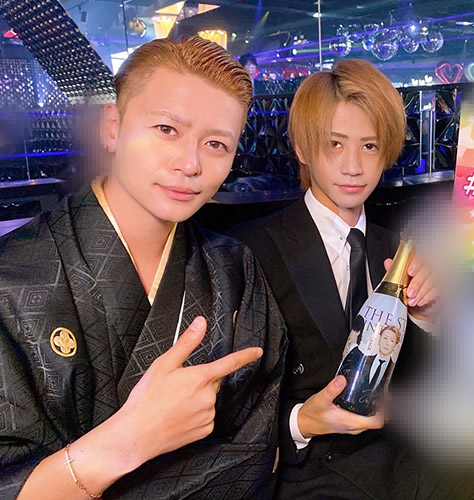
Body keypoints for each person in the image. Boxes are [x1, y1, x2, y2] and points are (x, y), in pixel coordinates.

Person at [0, 36, 286, 500]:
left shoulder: (235, 270)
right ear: (112, 127)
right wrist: (129, 440)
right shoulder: (10, 278)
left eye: (216, 143)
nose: (190, 164)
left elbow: (254, 444)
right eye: (167, 129)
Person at [227, 59, 441, 499]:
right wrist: (302, 421)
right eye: (335, 144)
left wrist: (428, 318)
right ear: (303, 149)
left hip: (410, 467)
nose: (353, 167)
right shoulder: (251, 250)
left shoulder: (400, 249)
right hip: (308, 473)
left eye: (369, 146)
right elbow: (230, 404)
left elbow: (430, 384)